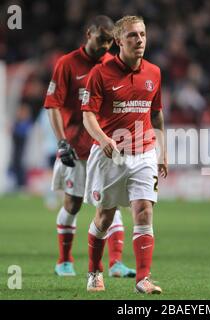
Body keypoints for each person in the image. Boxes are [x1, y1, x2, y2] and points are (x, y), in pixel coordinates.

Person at [43, 15, 135, 277]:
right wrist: (62, 142)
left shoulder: (113, 65)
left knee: (111, 204)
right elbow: (52, 105)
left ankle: (116, 264)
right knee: (72, 205)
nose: (106, 45)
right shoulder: (67, 64)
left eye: (110, 41)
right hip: (76, 148)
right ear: (88, 33)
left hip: (106, 148)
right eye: (101, 39)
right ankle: (64, 260)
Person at [81, 15, 168, 293]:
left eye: (142, 34)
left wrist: (162, 151)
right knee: (105, 217)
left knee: (143, 211)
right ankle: (94, 272)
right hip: (111, 155)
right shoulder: (100, 73)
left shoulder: (154, 73)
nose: (139, 40)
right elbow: (88, 116)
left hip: (143, 153)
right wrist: (103, 138)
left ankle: (143, 279)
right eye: (132, 35)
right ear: (119, 41)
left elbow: (157, 115)